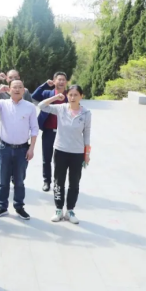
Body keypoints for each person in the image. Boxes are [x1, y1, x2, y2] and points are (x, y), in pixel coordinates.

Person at [0, 81, 39, 220]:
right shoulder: (3, 104)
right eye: (14, 87)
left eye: (20, 87)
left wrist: (32, 148)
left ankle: (19, 206)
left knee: (19, 180)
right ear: (9, 90)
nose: (17, 89)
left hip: (22, 149)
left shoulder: (30, 107)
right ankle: (2, 206)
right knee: (3, 180)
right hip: (4, 148)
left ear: (24, 90)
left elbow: (34, 128)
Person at [39, 86, 91, 225]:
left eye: (76, 95)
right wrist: (56, 97)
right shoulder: (61, 108)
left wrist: (87, 153)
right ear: (67, 95)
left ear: (81, 96)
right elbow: (42, 106)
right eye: (70, 94)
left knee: (74, 182)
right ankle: (58, 209)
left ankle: (70, 210)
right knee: (58, 181)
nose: (73, 97)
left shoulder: (86, 113)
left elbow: (87, 134)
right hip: (60, 150)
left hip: (77, 152)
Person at [32, 72, 68, 192]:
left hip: (63, 133)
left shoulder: (69, 95)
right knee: (46, 158)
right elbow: (34, 96)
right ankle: (46, 181)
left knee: (60, 160)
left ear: (66, 82)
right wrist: (45, 85)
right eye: (59, 79)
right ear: (54, 81)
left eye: (63, 80)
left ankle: (58, 183)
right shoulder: (47, 93)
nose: (61, 82)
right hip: (48, 131)